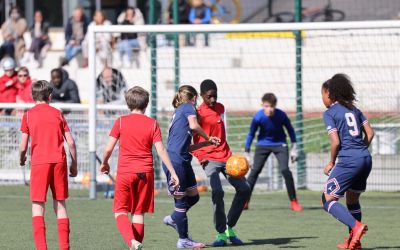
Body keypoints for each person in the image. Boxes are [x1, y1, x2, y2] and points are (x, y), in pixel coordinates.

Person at [100, 86, 180, 250]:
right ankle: (135, 244)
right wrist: (173, 173)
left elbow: (108, 148)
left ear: (128, 104)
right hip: (145, 172)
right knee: (138, 213)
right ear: (146, 104)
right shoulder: (152, 124)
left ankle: (132, 242)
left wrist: (104, 162)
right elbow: (161, 150)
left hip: (126, 172)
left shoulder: (121, 121)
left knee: (120, 211)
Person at [19, 80, 78, 250]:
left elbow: (23, 146)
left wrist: (22, 158)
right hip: (59, 161)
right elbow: (71, 143)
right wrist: (74, 164)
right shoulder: (58, 114)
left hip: (39, 163)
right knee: (60, 204)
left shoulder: (28, 115)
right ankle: (64, 247)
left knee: (38, 206)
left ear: (33, 96)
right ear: (50, 96)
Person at [192, 79, 251, 247]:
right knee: (217, 191)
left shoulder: (221, 108)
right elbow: (192, 141)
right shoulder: (197, 113)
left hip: (226, 157)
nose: (212, 100)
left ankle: (228, 227)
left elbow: (221, 135)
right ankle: (220, 234)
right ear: (202, 95)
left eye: (215, 96)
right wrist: (199, 156)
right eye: (209, 96)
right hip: (208, 158)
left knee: (244, 188)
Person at [162, 85, 220, 249]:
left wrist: (206, 142)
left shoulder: (180, 113)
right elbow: (194, 126)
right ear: (194, 98)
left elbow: (186, 147)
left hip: (183, 160)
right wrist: (208, 136)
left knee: (193, 196)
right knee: (181, 202)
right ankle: (183, 240)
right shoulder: (187, 107)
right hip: (175, 162)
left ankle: (174, 218)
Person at [321, 74, 373, 250]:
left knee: (327, 199)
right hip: (365, 159)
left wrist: (330, 162)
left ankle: (356, 227)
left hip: (349, 161)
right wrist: (360, 151)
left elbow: (335, 141)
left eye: (323, 94)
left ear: (330, 93)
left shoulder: (330, 113)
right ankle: (354, 242)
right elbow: (370, 133)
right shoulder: (354, 109)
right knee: (352, 199)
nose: (322, 99)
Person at [244, 93, 303, 212]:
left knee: (285, 170)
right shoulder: (258, 117)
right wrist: (247, 151)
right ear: (262, 105)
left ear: (275, 106)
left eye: (271, 106)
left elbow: (290, 130)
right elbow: (251, 133)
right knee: (254, 171)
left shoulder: (281, 115)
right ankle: (245, 201)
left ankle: (294, 202)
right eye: (266, 106)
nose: (269, 109)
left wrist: (294, 148)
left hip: (280, 144)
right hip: (262, 145)